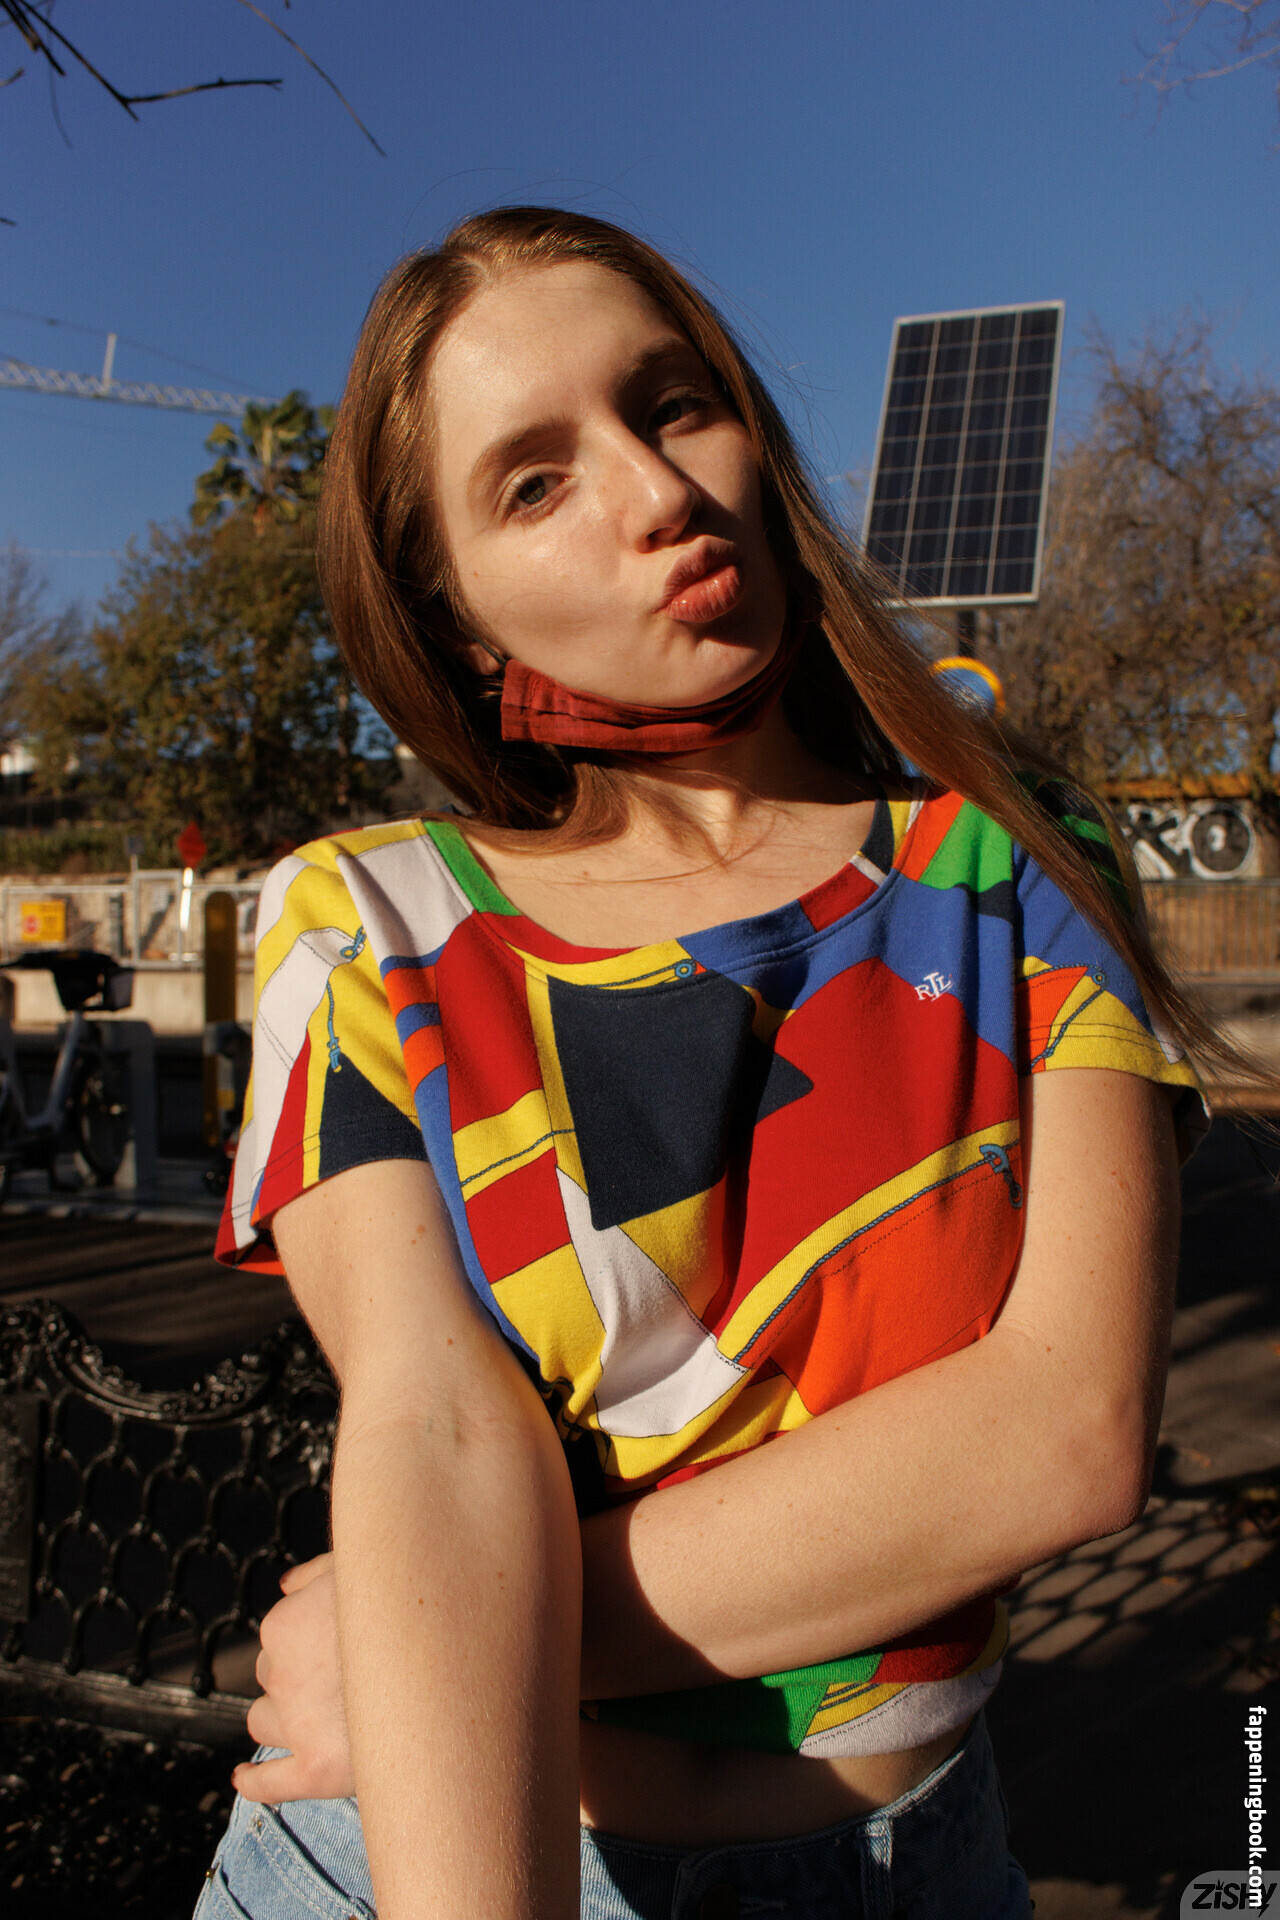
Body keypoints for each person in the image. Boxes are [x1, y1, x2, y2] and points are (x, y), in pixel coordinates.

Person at [195, 208, 1211, 1920]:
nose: (658, 492)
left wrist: (429, 1646)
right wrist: (453, 1645)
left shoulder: (1016, 863)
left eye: (672, 404)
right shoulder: (365, 924)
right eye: (534, 484)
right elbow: (435, 1425)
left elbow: (1068, 1427)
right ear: (457, 618)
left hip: (909, 1871)